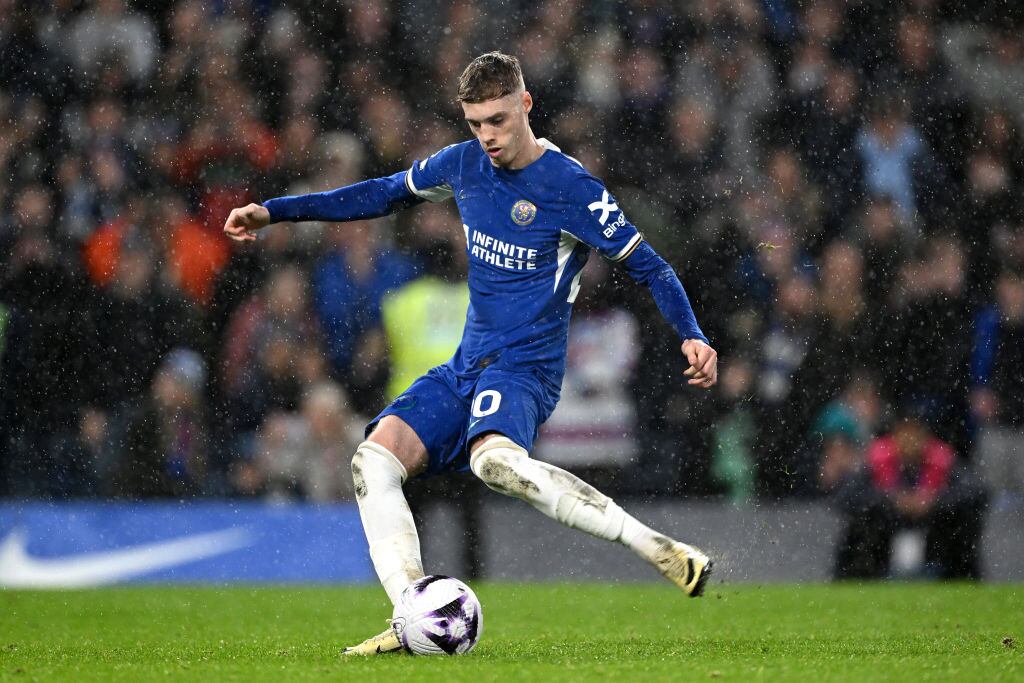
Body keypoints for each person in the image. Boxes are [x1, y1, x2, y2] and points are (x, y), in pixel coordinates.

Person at [223, 52, 718, 655]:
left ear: (526, 105)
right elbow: (379, 195)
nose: (487, 136)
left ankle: (658, 548)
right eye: (476, 123)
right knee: (372, 463)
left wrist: (691, 333)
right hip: (466, 366)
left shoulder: (571, 188)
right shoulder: (462, 165)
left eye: (498, 121)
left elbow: (651, 266)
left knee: (494, 465)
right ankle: (410, 611)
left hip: (525, 371)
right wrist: (277, 212)